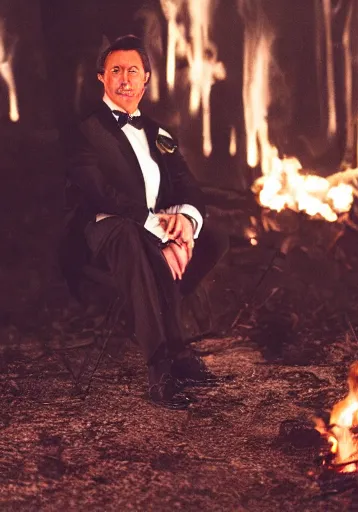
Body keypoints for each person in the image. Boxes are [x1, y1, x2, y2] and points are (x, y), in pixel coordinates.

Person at [61, 35, 228, 409]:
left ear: (146, 79)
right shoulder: (84, 129)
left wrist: (185, 220)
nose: (124, 79)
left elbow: (187, 183)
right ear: (101, 78)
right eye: (115, 71)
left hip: (150, 230)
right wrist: (157, 231)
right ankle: (164, 366)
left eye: (132, 71)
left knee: (214, 236)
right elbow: (100, 193)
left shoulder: (157, 131)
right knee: (129, 237)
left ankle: (157, 300)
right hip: (102, 231)